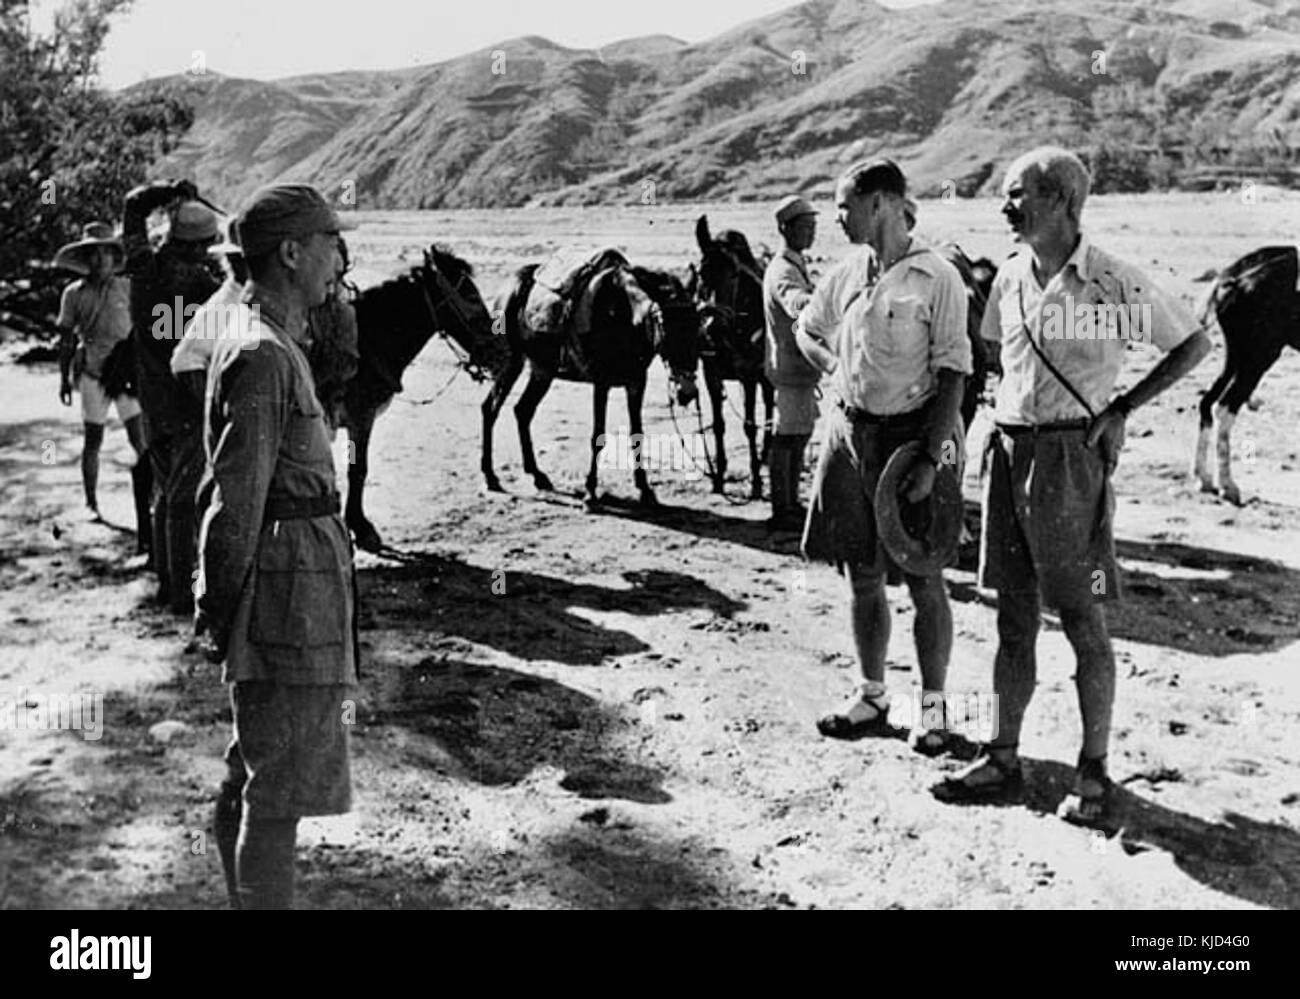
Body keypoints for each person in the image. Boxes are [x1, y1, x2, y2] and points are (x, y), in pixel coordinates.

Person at [932, 146, 1210, 824]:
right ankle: (1003, 755)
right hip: (1008, 451)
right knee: (1012, 616)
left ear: (1059, 200)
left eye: (1017, 193)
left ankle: (1092, 774)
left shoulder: (1112, 280)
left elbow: (1192, 344)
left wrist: (1120, 410)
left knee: (1083, 617)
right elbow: (998, 353)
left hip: (1069, 465)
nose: (1005, 206)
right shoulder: (1007, 278)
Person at [194, 183, 357, 909]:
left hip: (299, 589)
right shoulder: (261, 356)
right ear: (291, 252)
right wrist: (224, 607)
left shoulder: (277, 344)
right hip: (285, 601)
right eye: (329, 242)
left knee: (258, 769)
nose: (338, 259)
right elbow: (235, 505)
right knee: (277, 794)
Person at [795, 159, 971, 754]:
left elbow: (953, 375)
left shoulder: (937, 277)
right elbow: (806, 327)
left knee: (924, 577)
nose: (837, 217)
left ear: (880, 205)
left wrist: (932, 460)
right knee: (861, 575)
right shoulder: (846, 274)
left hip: (913, 441)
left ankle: (933, 709)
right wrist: (830, 368)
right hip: (849, 438)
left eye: (844, 205)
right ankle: (871, 695)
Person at [122, 181, 223, 612]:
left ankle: (167, 582)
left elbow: (131, 207)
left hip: (152, 402)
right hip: (188, 403)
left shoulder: (144, 271)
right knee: (184, 499)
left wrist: (165, 191)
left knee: (166, 494)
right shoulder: (206, 287)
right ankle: (182, 592)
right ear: (200, 245)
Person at [53, 222, 149, 537]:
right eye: (92, 256)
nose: (99, 262)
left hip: (125, 373)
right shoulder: (73, 294)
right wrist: (65, 378)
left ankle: (151, 496)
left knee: (140, 437)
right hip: (92, 372)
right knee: (93, 438)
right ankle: (91, 502)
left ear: (113, 257)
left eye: (105, 255)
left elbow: (145, 328)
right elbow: (66, 338)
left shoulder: (128, 288)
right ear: (85, 260)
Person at [762, 196, 821, 531]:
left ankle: (789, 503)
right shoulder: (783, 270)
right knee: (787, 436)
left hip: (797, 367)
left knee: (797, 435)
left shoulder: (794, 263)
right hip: (790, 366)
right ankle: (781, 509)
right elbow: (796, 302)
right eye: (805, 227)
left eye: (813, 227)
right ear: (785, 229)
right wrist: (826, 301)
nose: (811, 233)